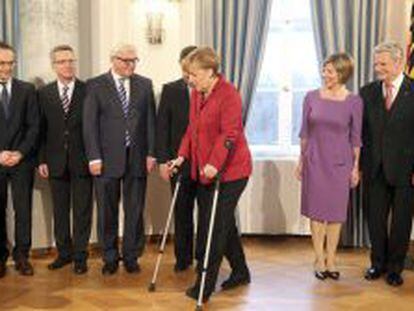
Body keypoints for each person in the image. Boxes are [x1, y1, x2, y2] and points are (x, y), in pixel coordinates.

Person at [169, 47, 252, 302]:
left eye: (193, 74)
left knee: (213, 226)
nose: (189, 79)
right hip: (205, 171)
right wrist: (182, 155)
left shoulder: (229, 95)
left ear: (209, 71)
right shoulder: (197, 93)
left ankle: (204, 285)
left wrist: (215, 163)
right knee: (221, 223)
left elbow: (230, 134)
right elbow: (191, 130)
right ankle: (240, 271)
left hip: (232, 172)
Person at [83, 44, 156, 275]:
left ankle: (131, 256)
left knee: (135, 210)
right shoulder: (95, 85)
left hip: (137, 157)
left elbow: (150, 123)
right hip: (105, 159)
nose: (131, 65)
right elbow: (89, 124)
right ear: (113, 59)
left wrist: (151, 153)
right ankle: (110, 257)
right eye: (126, 60)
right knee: (107, 210)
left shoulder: (144, 84)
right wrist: (94, 157)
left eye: (134, 60)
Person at [295, 53, 362, 280]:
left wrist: (355, 168)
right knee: (316, 212)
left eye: (330, 71)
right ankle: (319, 259)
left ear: (342, 73)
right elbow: (304, 132)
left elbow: (356, 138)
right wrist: (300, 160)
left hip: (340, 163)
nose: (325, 74)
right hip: (315, 161)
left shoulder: (354, 101)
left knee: (335, 214)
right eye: (324, 70)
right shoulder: (311, 97)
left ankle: (331, 258)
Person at [361, 41, 414, 287]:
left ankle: (395, 268)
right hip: (374, 168)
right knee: (375, 219)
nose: (377, 68)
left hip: (406, 170)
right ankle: (377, 263)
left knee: (402, 221)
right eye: (376, 63)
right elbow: (361, 134)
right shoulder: (367, 92)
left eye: (382, 63)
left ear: (399, 63)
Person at [38, 45, 93, 274]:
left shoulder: (88, 90)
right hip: (55, 161)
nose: (68, 65)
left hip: (82, 161)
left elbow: (94, 127)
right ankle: (64, 254)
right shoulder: (43, 93)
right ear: (54, 65)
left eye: (71, 60)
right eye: (62, 61)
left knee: (82, 211)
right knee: (60, 211)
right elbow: (40, 130)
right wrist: (42, 160)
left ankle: (81, 257)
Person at [156, 45, 198, 272]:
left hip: (204, 164)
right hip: (177, 163)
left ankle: (204, 256)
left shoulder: (207, 89)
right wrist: (163, 161)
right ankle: (183, 258)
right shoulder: (170, 90)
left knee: (206, 210)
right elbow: (162, 127)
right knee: (182, 212)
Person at [0, 41, 39, 277]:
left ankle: (22, 256)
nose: (6, 68)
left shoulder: (27, 90)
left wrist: (20, 153)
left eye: (10, 63)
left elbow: (34, 127)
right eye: (2, 63)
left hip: (22, 162)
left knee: (23, 210)